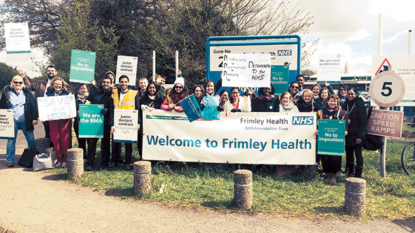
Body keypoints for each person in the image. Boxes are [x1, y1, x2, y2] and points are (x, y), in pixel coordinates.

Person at [0, 75, 38, 167]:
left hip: (26, 119)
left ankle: (33, 158)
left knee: (30, 139)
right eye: (15, 82)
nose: (18, 84)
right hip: (11, 120)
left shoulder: (27, 93)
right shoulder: (7, 93)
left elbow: (33, 105)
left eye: (20, 82)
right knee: (11, 140)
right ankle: (10, 160)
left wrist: (34, 117)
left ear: (23, 84)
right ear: (12, 83)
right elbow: (2, 106)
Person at [21, 65, 61, 139]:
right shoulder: (40, 83)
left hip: (56, 110)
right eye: (49, 70)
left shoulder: (60, 82)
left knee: (56, 131)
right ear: (46, 72)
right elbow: (30, 87)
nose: (50, 72)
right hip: (44, 110)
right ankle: (50, 148)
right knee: (48, 130)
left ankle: (57, 148)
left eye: (52, 70)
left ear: (56, 72)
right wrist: (24, 77)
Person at [316, 94, 348, 183]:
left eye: (334, 101)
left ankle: (333, 174)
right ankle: (327, 173)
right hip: (324, 138)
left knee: (335, 157)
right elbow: (317, 124)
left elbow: (345, 124)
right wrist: (317, 130)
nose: (332, 103)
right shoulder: (320, 112)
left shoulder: (343, 112)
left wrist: (345, 131)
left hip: (336, 139)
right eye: (331, 101)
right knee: (325, 156)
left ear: (337, 102)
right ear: (327, 101)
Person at [110, 75, 138, 170]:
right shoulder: (113, 94)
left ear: (128, 83)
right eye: (122, 82)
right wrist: (112, 124)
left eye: (125, 82)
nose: (124, 83)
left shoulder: (134, 93)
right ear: (119, 83)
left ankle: (127, 162)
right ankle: (114, 161)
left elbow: (137, 109)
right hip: (117, 122)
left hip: (129, 122)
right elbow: (111, 109)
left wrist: (138, 122)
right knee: (115, 143)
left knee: (128, 144)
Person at [86, 76, 113, 171]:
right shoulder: (94, 92)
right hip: (94, 121)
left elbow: (114, 107)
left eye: (108, 82)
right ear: (101, 83)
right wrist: (83, 111)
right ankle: (89, 163)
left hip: (106, 121)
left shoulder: (112, 94)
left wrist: (108, 110)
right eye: (104, 82)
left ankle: (104, 163)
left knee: (105, 143)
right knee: (92, 142)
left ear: (111, 84)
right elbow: (87, 102)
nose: (106, 84)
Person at [45, 77, 72, 168]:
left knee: (65, 140)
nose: (58, 86)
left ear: (62, 85)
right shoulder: (48, 94)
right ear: (52, 85)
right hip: (53, 120)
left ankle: (65, 159)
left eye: (59, 84)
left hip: (64, 120)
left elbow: (71, 106)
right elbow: (44, 106)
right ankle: (59, 159)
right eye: (56, 84)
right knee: (55, 139)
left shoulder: (67, 94)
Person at [342, 87, 367, 178]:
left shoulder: (360, 104)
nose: (350, 95)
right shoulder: (346, 104)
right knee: (349, 153)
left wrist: (360, 136)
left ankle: (358, 173)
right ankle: (350, 171)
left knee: (358, 153)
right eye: (348, 94)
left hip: (357, 133)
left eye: (352, 94)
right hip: (348, 133)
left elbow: (364, 122)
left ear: (356, 94)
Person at [137, 82, 164, 157]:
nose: (151, 89)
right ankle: (142, 156)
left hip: (156, 125)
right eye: (150, 88)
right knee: (141, 140)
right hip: (144, 124)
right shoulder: (143, 99)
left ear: (156, 89)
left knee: (154, 140)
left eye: (153, 88)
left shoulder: (161, 98)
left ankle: (155, 157)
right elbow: (139, 111)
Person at [74, 84, 90, 160]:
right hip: (78, 122)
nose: (83, 90)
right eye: (81, 88)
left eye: (84, 88)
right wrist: (75, 112)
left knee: (90, 140)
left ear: (87, 90)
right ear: (78, 90)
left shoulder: (91, 98)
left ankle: (90, 157)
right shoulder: (73, 98)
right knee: (81, 140)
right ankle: (83, 156)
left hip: (89, 122)